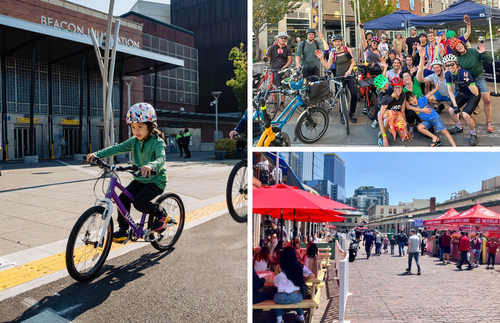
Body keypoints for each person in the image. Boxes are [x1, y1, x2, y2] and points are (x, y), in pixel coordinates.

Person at [86, 102, 174, 242]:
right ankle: (123, 230)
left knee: (139, 202)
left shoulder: (157, 141)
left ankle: (162, 214)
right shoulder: (134, 141)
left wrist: (151, 165)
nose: (136, 130)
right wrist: (97, 154)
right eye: (133, 127)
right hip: (139, 179)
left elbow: (161, 158)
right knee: (122, 199)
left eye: (140, 126)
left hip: (156, 181)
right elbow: (116, 148)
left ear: (150, 126)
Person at [451, 38, 493, 132]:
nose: (459, 46)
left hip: (479, 78)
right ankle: (471, 118)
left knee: (487, 99)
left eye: (460, 44)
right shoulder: (457, 59)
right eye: (457, 46)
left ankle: (488, 122)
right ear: (455, 49)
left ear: (463, 44)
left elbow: (490, 60)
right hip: (468, 80)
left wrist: (483, 53)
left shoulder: (473, 51)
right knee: (471, 99)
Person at [316, 34, 358, 123]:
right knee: (343, 94)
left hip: (348, 75)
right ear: (333, 43)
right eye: (335, 42)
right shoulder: (333, 53)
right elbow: (327, 66)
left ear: (341, 42)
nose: (337, 43)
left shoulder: (347, 50)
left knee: (354, 94)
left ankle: (352, 113)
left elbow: (352, 62)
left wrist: (349, 71)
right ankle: (343, 114)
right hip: (339, 76)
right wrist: (321, 59)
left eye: (338, 41)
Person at [442, 53, 481, 146]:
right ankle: (459, 128)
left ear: (456, 64)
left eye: (452, 64)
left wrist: (468, 84)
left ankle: (473, 134)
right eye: (447, 65)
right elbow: (450, 91)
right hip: (462, 94)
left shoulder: (465, 73)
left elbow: (476, 92)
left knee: (465, 115)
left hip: (473, 94)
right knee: (451, 110)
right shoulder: (448, 74)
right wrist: (455, 105)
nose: (450, 67)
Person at [273, 246, 316, 323]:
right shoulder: (299, 266)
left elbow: (276, 284)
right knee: (298, 300)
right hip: (296, 297)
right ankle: (301, 318)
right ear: (294, 255)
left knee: (275, 296)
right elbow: (312, 275)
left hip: (281, 298)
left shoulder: (278, 268)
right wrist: (304, 280)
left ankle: (279, 320)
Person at [377, 76, 411, 147]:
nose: (398, 89)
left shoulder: (403, 95)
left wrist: (406, 129)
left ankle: (394, 128)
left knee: (403, 131)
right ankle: (382, 134)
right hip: (384, 116)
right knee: (390, 113)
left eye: (399, 87)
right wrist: (384, 138)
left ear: (402, 87)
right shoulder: (388, 96)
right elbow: (380, 118)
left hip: (395, 115)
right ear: (392, 88)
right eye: (395, 87)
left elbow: (402, 112)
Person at [264, 31, 293, 112]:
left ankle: (282, 104)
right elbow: (267, 56)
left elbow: (290, 60)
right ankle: (275, 105)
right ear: (278, 39)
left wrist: (284, 67)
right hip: (274, 69)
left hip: (283, 70)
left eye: (285, 38)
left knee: (283, 87)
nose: (283, 39)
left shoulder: (288, 49)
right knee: (274, 88)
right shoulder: (272, 47)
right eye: (281, 38)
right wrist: (265, 58)